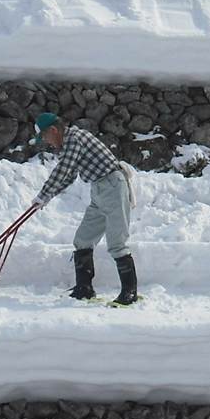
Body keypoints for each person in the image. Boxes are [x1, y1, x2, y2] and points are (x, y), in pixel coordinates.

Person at [31, 112, 139, 306]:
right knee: (83, 239)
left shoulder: (74, 138)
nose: (47, 142)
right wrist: (46, 198)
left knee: (117, 242)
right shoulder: (70, 143)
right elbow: (69, 175)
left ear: (54, 130)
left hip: (113, 187)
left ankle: (129, 293)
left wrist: (43, 194)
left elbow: (63, 169)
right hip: (99, 190)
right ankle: (84, 289)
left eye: (45, 137)